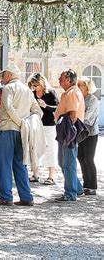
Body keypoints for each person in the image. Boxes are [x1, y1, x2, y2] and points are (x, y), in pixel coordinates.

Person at [0, 65, 42, 206]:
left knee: (3, 164)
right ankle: (26, 197)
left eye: (3, 75)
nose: (2, 78)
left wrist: (20, 122)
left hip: (9, 128)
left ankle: (6, 196)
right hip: (22, 131)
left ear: (8, 75)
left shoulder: (8, 88)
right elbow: (37, 110)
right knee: (20, 164)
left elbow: (8, 107)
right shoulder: (27, 89)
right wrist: (26, 123)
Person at [54, 69, 85, 202]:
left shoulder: (72, 93)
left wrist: (69, 132)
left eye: (61, 77)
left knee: (68, 163)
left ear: (69, 79)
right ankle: (77, 188)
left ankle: (71, 193)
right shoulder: (68, 92)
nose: (59, 80)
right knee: (63, 161)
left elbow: (73, 114)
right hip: (65, 131)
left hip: (68, 132)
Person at [27, 73, 59, 185]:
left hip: (49, 125)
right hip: (36, 124)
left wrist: (45, 106)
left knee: (50, 149)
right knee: (34, 148)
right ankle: (35, 174)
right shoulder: (32, 94)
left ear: (41, 83)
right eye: (33, 85)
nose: (35, 88)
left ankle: (51, 176)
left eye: (36, 85)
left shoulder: (51, 94)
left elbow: (57, 109)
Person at [77, 77, 99, 196]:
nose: (78, 86)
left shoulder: (93, 99)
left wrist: (75, 117)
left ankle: (92, 186)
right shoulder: (80, 98)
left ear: (87, 87)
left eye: (80, 85)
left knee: (89, 158)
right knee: (80, 157)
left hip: (90, 133)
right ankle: (86, 184)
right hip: (80, 131)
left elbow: (87, 117)